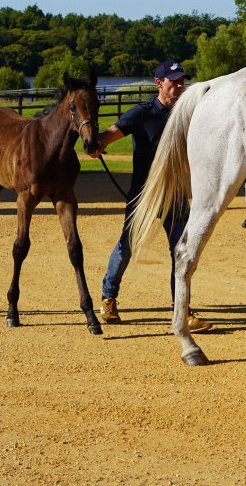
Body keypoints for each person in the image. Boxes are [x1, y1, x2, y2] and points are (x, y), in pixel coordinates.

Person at [92, 59, 212, 332]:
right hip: (144, 195)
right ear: (159, 83)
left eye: (182, 81)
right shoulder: (142, 113)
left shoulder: (188, 114)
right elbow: (110, 135)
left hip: (176, 194)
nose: (179, 86)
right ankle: (108, 298)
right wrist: (97, 144)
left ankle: (181, 310)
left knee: (181, 251)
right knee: (126, 246)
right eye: (174, 81)